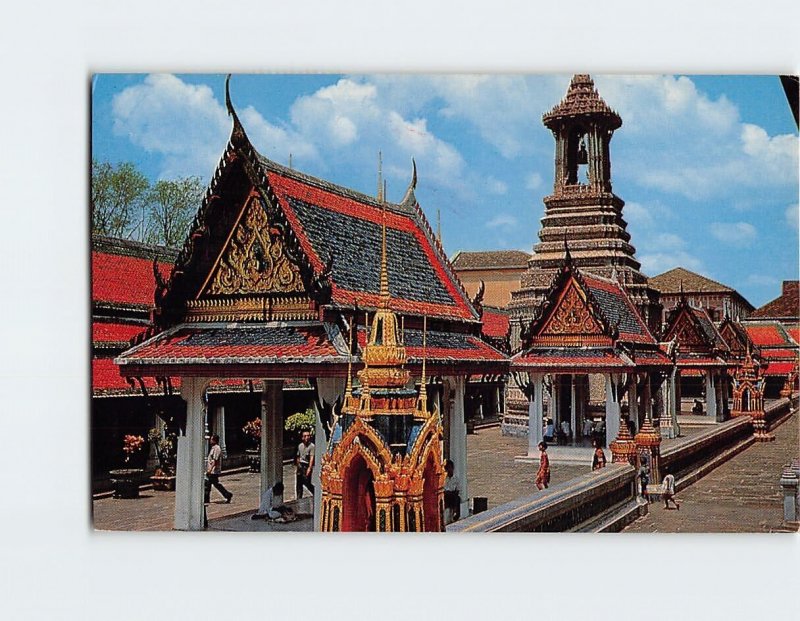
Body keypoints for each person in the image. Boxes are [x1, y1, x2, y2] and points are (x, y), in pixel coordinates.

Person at [205, 434, 233, 504]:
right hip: (212, 470)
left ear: (214, 440)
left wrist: (210, 469)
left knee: (210, 484)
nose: (210, 441)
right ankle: (206, 498)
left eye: (211, 439)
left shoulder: (217, 448)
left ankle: (227, 494)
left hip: (214, 471)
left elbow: (215, 460)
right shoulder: (213, 448)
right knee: (212, 484)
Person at [295, 430, 315, 499]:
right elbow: (298, 456)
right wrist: (298, 465)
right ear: (302, 438)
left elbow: (311, 457)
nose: (307, 437)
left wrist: (309, 468)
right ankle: (298, 498)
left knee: (307, 483)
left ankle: (315, 493)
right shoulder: (300, 445)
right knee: (299, 483)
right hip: (300, 465)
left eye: (308, 436)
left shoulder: (312, 446)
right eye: (305, 436)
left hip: (306, 465)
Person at [443, 459, 462, 524]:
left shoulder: (456, 479)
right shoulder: (444, 479)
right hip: (446, 496)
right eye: (447, 468)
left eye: (450, 468)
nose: (449, 470)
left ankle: (455, 514)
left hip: (453, 496)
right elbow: (444, 490)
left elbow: (458, 490)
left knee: (457, 498)